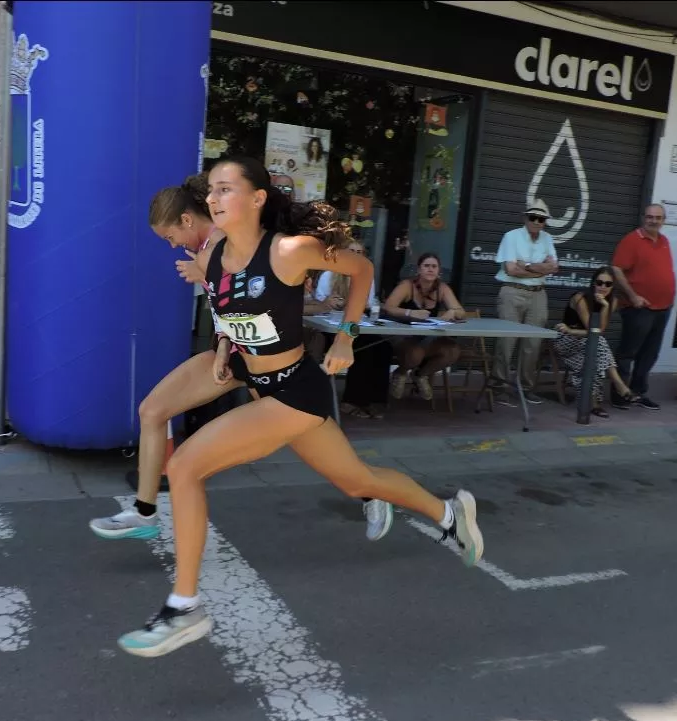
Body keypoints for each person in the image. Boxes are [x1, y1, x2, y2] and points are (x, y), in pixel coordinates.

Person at [116, 156, 483, 658]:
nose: (214, 200)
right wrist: (226, 350)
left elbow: (362, 269)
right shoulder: (216, 251)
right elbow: (229, 309)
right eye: (212, 192)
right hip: (254, 378)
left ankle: (184, 607)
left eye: (226, 190)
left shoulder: (290, 251)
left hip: (294, 392)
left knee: (183, 467)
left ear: (257, 199)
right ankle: (449, 514)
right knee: (358, 481)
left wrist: (347, 339)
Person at [89, 175, 391, 543]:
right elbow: (225, 312)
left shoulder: (225, 242)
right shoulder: (203, 250)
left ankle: (371, 492)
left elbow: (255, 291)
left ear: (186, 220)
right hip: (236, 357)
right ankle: (144, 512)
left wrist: (207, 275)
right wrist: (220, 346)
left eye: (170, 237)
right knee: (152, 410)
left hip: (277, 366)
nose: (172, 247)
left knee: (324, 456)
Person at [490, 199, 559, 406]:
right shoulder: (511, 236)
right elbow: (511, 270)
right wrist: (539, 268)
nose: (537, 221)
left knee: (533, 343)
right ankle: (499, 387)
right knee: (506, 341)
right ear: (525, 218)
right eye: (533, 217)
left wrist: (526, 265)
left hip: (538, 293)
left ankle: (525, 387)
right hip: (512, 291)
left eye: (541, 218)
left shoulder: (547, 238)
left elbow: (554, 268)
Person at [314, 241, 392, 419]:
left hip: (356, 326)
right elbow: (321, 302)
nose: (356, 255)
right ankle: (351, 401)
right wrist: (331, 302)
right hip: (330, 329)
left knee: (382, 347)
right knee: (362, 350)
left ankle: (376, 401)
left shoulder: (366, 277)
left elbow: (368, 304)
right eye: (352, 251)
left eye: (360, 252)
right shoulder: (328, 275)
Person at [610, 204, 675, 411]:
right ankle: (620, 394)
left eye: (658, 217)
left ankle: (638, 392)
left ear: (663, 220)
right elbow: (616, 268)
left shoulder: (663, 240)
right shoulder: (632, 240)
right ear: (643, 218)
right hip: (639, 308)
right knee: (628, 352)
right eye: (649, 217)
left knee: (649, 354)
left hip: (662, 308)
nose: (653, 221)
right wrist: (633, 295)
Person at [552, 267, 639, 418]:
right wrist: (572, 332)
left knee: (595, 355)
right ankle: (618, 385)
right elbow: (593, 330)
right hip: (566, 340)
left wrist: (605, 305)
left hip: (588, 342)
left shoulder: (612, 301)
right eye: (599, 282)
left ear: (613, 286)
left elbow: (599, 330)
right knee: (598, 344)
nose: (603, 287)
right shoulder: (580, 298)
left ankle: (593, 402)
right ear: (593, 283)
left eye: (608, 284)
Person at [381, 252, 466, 401]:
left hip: (426, 337)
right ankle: (400, 373)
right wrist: (410, 312)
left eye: (434, 266)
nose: (430, 269)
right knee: (415, 353)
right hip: (401, 335)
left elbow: (461, 313)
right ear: (419, 270)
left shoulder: (443, 288)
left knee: (453, 350)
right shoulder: (407, 286)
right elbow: (388, 307)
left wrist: (452, 312)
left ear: (439, 271)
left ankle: (420, 375)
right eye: (426, 266)